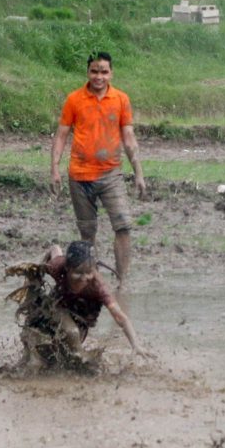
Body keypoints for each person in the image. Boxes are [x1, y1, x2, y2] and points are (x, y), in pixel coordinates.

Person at [50, 51, 147, 283]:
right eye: (94, 71)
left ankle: (122, 282)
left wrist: (138, 172)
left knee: (123, 227)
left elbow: (129, 138)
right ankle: (91, 281)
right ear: (88, 72)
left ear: (111, 73)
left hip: (111, 174)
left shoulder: (121, 100)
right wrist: (54, 167)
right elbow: (62, 135)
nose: (99, 76)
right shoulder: (74, 99)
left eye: (104, 71)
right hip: (80, 176)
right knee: (87, 234)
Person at [19, 241, 150, 369]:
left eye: (88, 272)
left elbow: (120, 316)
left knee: (69, 353)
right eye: (78, 272)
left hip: (80, 314)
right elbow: (54, 249)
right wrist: (33, 280)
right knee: (71, 332)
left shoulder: (98, 286)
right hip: (56, 305)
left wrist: (136, 345)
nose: (84, 278)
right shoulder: (56, 266)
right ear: (67, 268)